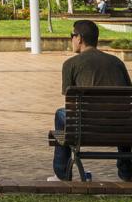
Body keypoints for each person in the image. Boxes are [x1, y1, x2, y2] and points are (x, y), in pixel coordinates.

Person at [48, 19, 132, 181]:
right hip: (121, 126)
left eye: (71, 35)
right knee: (122, 115)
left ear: (79, 38)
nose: (71, 39)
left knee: (60, 114)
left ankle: (62, 173)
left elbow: (68, 97)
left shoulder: (71, 64)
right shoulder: (117, 63)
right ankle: (127, 172)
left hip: (85, 127)